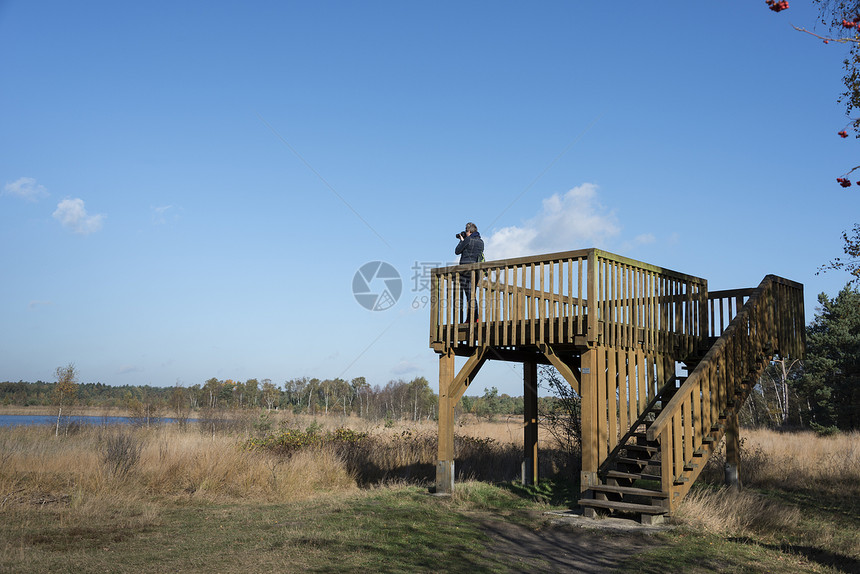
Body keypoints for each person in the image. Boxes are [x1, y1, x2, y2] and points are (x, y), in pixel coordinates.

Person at [454, 222, 484, 322]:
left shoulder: (468, 239)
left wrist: (461, 241)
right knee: (472, 294)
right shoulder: (481, 241)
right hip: (476, 271)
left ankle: (474, 317)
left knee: (469, 295)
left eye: (466, 231)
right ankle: (472, 317)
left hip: (465, 271)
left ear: (469, 231)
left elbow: (457, 251)